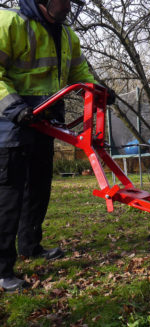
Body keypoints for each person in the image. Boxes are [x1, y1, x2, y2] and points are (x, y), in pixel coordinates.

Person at [0, 0, 101, 292]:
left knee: (39, 190)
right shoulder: (10, 24)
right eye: (63, 0)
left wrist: (98, 91)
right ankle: (3, 270)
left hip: (44, 123)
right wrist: (12, 105)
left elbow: (80, 73)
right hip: (10, 126)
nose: (69, 5)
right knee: (8, 199)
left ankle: (31, 246)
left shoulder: (67, 36)